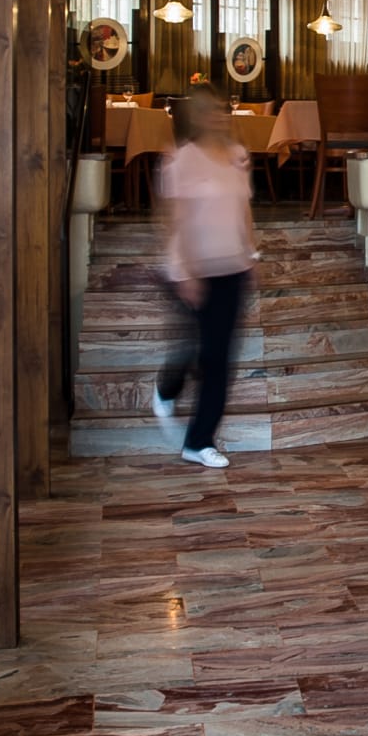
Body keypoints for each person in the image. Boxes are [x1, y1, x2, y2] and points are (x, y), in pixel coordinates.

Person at [152, 88, 257, 468]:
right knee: (194, 351)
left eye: (222, 109)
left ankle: (198, 442)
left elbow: (244, 209)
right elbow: (174, 220)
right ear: (196, 116)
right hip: (193, 271)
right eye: (210, 110)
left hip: (233, 269)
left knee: (219, 358)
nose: (219, 115)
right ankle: (168, 386)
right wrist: (185, 272)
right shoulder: (183, 160)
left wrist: (252, 253)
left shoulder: (237, 155)